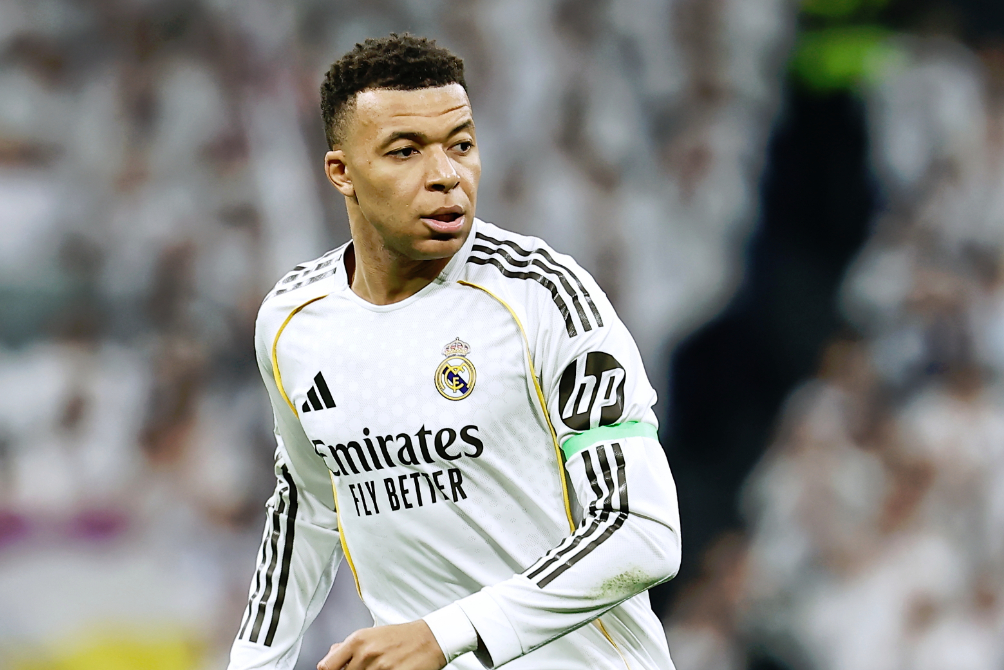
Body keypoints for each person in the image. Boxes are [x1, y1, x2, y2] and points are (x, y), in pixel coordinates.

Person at [228, 34, 681, 670]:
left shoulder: (543, 296)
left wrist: (446, 634)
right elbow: (308, 506)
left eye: (461, 145)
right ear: (342, 173)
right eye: (406, 151)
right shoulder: (292, 321)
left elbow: (642, 530)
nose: (446, 175)